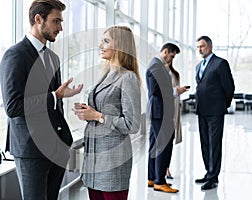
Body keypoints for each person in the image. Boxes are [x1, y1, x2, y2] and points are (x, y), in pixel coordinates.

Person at [0, 0, 83, 199]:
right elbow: (13, 107)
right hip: (31, 150)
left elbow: (53, 103)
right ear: (38, 19)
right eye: (56, 21)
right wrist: (55, 96)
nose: (61, 27)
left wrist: (61, 97)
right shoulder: (15, 55)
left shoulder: (52, 58)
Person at [73, 26, 141, 200]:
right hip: (94, 160)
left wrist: (97, 116)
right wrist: (86, 112)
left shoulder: (128, 78)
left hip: (113, 160)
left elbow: (132, 125)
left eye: (106, 41)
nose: (100, 45)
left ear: (120, 46)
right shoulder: (106, 74)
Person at [194, 36, 234, 190]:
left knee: (214, 144)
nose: (200, 49)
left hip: (215, 111)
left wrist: (224, 105)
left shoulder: (220, 63)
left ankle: (213, 178)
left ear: (210, 47)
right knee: (205, 143)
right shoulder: (199, 66)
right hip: (201, 110)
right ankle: (208, 172)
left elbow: (229, 87)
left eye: (202, 46)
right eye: (198, 47)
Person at [146, 43, 180, 193]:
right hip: (160, 112)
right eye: (172, 56)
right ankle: (160, 181)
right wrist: (175, 91)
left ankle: (152, 177)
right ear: (165, 51)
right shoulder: (156, 66)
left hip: (158, 112)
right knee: (163, 145)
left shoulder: (158, 65)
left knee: (155, 144)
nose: (171, 59)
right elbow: (156, 91)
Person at [166, 62, 189, 179]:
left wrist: (179, 90)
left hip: (174, 108)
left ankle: (166, 167)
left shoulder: (175, 74)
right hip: (164, 110)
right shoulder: (158, 73)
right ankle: (161, 169)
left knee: (170, 141)